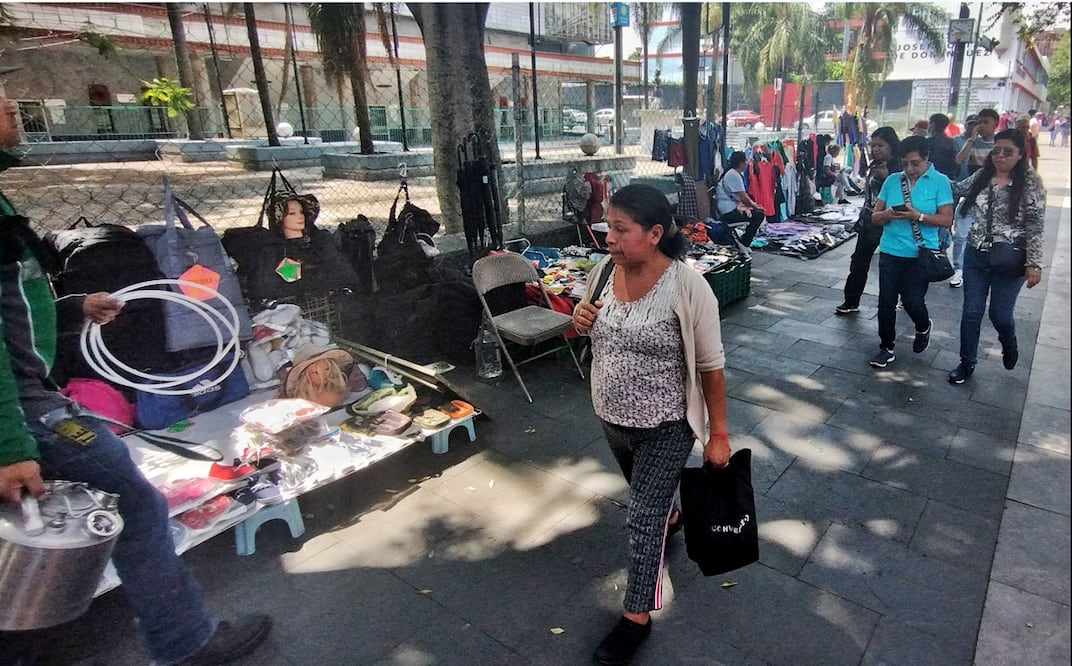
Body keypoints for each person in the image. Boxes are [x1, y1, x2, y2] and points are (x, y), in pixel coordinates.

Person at [0, 95, 272, 665]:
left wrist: (73, 306)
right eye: (1, 98)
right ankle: (185, 643)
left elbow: (13, 306)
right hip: (27, 411)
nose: (11, 106)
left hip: (29, 403)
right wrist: (9, 445)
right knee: (137, 504)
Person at [572, 183, 730, 666]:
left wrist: (718, 433)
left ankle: (636, 617)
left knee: (641, 520)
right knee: (652, 504)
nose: (609, 237)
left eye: (621, 229)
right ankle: (672, 516)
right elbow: (590, 328)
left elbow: (711, 365)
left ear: (655, 233)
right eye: (608, 226)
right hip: (611, 418)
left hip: (666, 425)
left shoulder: (687, 285)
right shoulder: (603, 272)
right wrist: (579, 318)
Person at [947, 129, 1046, 384]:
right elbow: (957, 189)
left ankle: (1009, 343)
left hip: (1009, 259)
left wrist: (1033, 264)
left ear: (1020, 154)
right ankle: (967, 362)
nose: (1000, 156)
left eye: (1007, 151)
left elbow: (1035, 224)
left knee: (1000, 315)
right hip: (976, 256)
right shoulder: (983, 175)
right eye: (996, 150)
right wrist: (929, 175)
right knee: (971, 312)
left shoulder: (1031, 183)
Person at [867, 135, 955, 369]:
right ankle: (886, 347)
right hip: (890, 250)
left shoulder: (940, 181)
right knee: (886, 301)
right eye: (905, 163)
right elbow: (875, 216)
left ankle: (923, 325)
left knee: (912, 301)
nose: (909, 169)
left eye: (915, 163)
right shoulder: (893, 180)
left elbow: (946, 219)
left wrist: (919, 216)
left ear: (926, 159)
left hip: (920, 253)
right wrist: (887, 215)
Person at [835, 127, 902, 315]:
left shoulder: (899, 167)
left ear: (892, 145)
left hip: (891, 222)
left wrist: (886, 177)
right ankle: (851, 301)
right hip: (869, 222)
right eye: (873, 145)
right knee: (859, 261)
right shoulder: (874, 165)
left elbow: (903, 195)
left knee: (892, 265)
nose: (876, 149)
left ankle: (900, 298)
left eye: (881, 145)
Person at [713, 150, 764, 250]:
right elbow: (743, 197)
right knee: (759, 215)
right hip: (728, 212)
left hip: (729, 209)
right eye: (745, 161)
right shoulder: (733, 175)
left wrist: (751, 205)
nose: (746, 164)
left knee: (757, 213)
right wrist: (754, 206)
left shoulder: (733, 173)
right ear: (741, 163)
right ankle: (745, 242)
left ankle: (743, 241)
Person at [956, 108, 999, 175]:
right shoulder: (973, 142)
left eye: (986, 122)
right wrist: (972, 139)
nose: (982, 126)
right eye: (979, 123)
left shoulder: (999, 143)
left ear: (996, 124)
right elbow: (959, 160)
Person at [926, 113, 959, 180]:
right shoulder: (952, 142)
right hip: (948, 178)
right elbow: (957, 164)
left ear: (933, 124)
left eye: (929, 123)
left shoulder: (927, 142)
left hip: (930, 177)